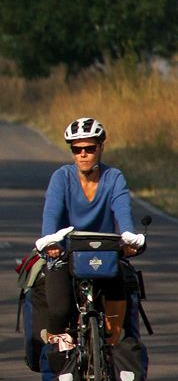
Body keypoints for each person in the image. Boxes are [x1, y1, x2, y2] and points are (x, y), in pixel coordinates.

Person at [36, 117, 146, 346]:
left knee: (120, 291)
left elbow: (123, 211)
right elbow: (51, 214)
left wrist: (129, 238)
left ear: (101, 148)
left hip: (105, 255)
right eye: (77, 149)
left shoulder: (114, 177)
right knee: (59, 311)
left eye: (89, 148)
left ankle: (110, 348)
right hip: (66, 255)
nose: (83, 154)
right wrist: (50, 243)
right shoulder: (61, 178)